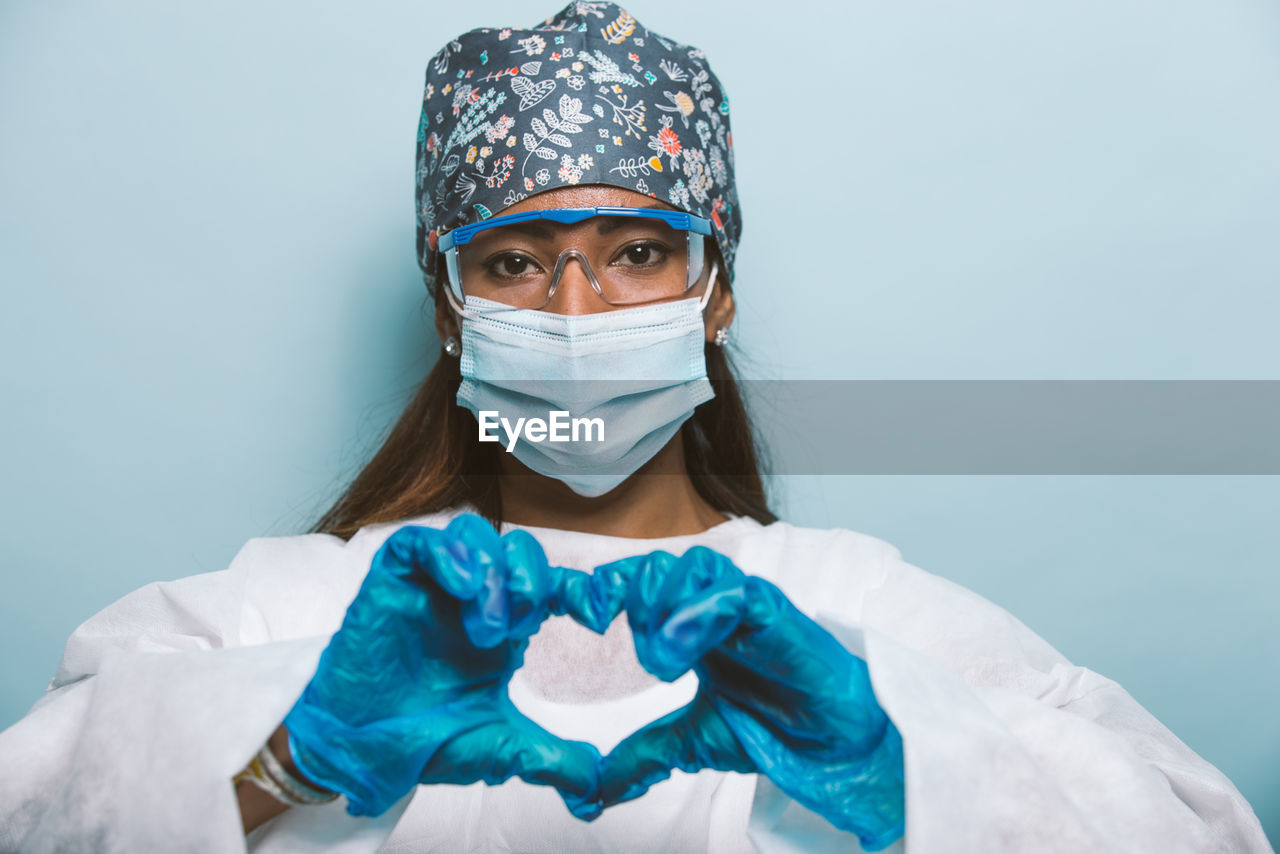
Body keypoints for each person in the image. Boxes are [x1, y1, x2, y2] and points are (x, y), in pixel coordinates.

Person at [0, 3, 1271, 853]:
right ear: (449, 305)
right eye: (510, 262)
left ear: (715, 287)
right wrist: (283, 752)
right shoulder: (283, 614)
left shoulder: (853, 614)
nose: (572, 308)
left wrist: (901, 768)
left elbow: (1203, 829)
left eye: (634, 252)